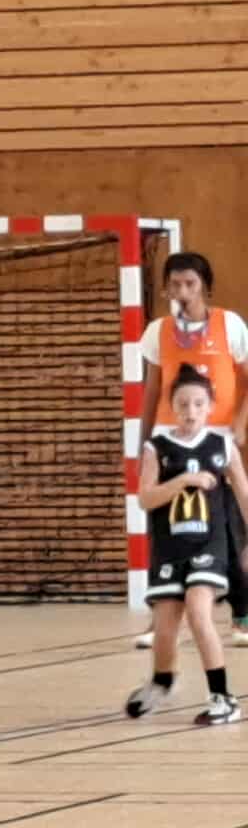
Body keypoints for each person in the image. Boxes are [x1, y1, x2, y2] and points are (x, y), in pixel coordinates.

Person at [134, 251, 248, 649]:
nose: (182, 291)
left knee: (227, 527)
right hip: (171, 440)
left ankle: (241, 613)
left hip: (216, 438)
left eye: (190, 283)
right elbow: (152, 390)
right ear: (166, 289)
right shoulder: (158, 331)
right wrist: (142, 442)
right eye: (175, 284)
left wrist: (239, 423)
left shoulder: (229, 325)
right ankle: (161, 617)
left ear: (205, 287)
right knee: (166, 531)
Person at [126, 363, 248, 726]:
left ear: (210, 406)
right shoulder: (157, 448)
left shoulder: (222, 445)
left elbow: (244, 495)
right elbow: (145, 498)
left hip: (209, 545)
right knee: (165, 626)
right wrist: (183, 481)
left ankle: (223, 698)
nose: (191, 411)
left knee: (198, 611)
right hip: (169, 548)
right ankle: (163, 680)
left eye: (198, 404)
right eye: (183, 404)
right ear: (171, 407)